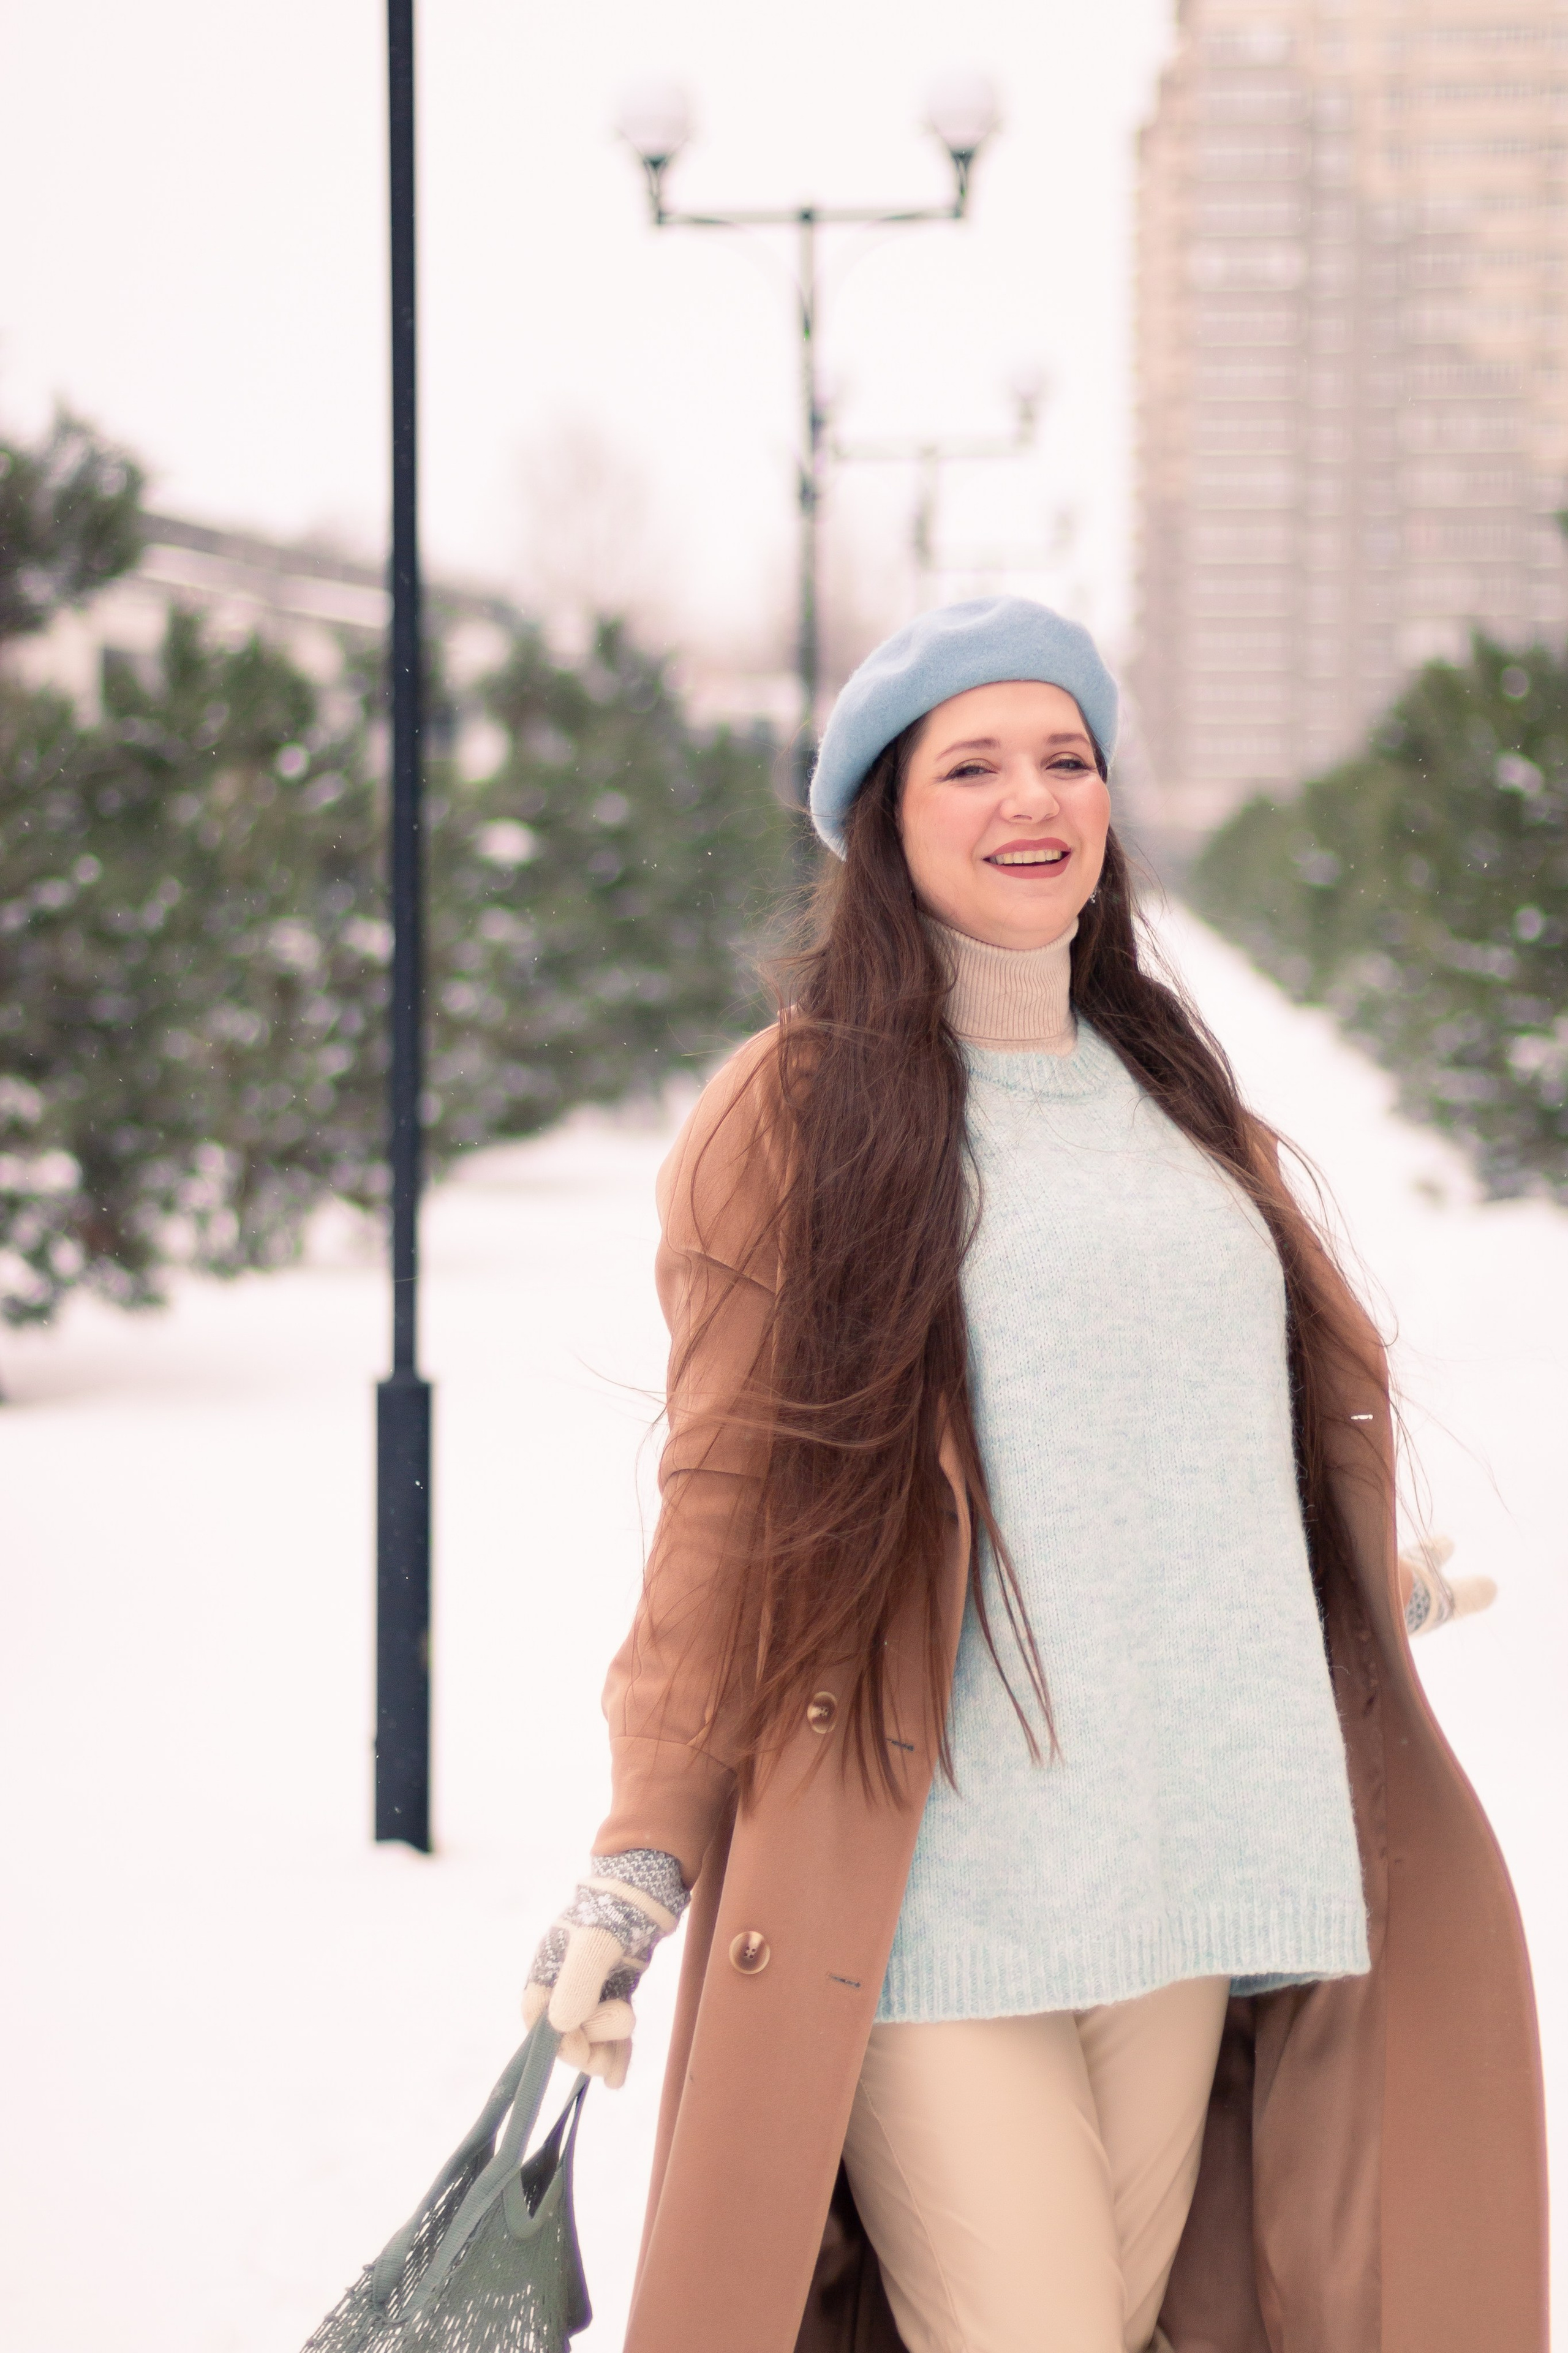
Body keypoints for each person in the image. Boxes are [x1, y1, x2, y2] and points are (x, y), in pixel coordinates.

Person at [524, 599, 1547, 2353]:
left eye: (1065, 756)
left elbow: (1192, 1404)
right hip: (932, 1882)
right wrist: (643, 1850)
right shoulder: (801, 1112)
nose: (1032, 798)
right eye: (972, 763)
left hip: (1187, 1860)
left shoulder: (1166, 1087)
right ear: (886, 818)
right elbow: (727, 1503)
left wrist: (1350, 1573)